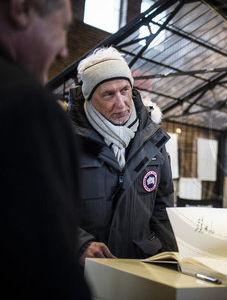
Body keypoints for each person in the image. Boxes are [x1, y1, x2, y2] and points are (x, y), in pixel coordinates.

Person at [0, 0, 91, 298]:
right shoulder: (26, 106)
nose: (64, 50)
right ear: (23, 6)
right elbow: (44, 265)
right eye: (63, 27)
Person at [67, 46, 177, 265]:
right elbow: (40, 206)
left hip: (138, 266)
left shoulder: (153, 141)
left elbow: (163, 210)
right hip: (84, 269)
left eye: (124, 90)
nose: (121, 103)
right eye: (108, 94)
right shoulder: (63, 140)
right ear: (89, 97)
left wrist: (168, 257)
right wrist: (77, 243)